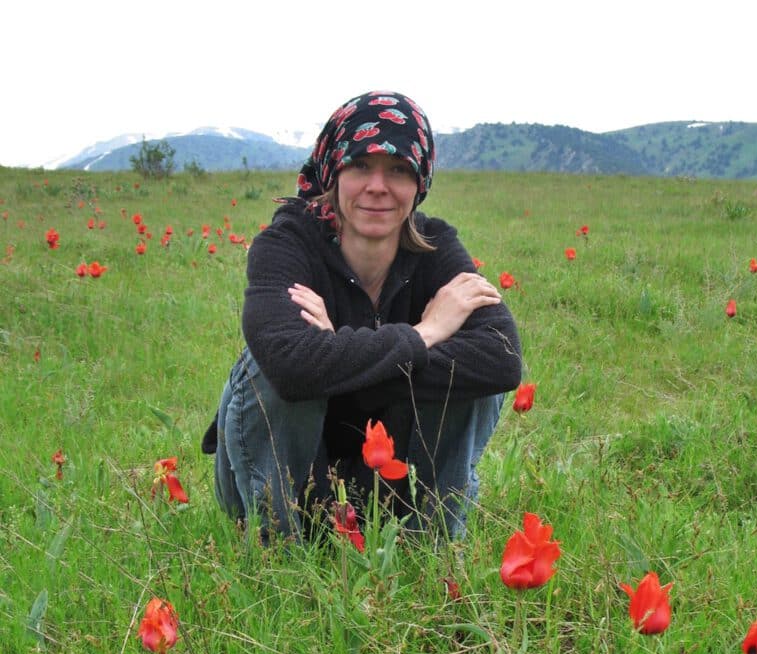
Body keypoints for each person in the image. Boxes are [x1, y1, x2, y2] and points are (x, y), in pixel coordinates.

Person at [204, 90, 522, 541]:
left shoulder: (437, 249)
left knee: (474, 384)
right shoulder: (287, 245)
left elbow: (501, 360)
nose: (378, 186)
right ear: (333, 172)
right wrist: (425, 332)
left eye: (398, 170)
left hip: (384, 489)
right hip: (281, 482)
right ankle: (275, 551)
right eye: (359, 167)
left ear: (419, 184)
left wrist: (337, 352)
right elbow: (289, 366)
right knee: (264, 370)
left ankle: (430, 549)